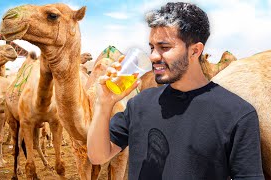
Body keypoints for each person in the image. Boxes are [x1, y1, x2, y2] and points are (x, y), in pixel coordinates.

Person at [87, 2, 264, 180]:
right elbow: (97, 156)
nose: (153, 56)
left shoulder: (236, 114)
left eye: (164, 48)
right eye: (152, 47)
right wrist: (104, 104)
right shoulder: (140, 104)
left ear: (195, 51)